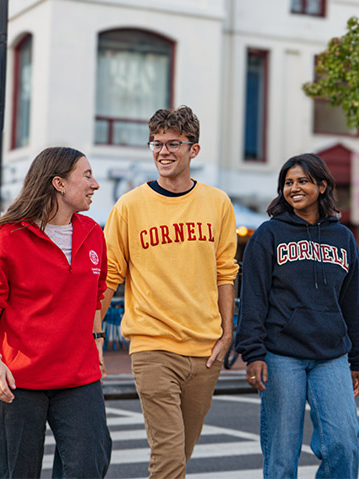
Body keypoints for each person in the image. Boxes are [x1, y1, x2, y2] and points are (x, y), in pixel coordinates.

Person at [0, 147, 112, 479]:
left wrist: (97, 341)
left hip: (79, 377)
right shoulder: (7, 238)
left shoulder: (93, 234)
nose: (94, 184)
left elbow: (95, 296)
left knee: (89, 466)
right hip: (16, 379)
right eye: (86, 176)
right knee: (17, 474)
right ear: (58, 183)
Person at [101, 105, 238, 479]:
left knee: (181, 451)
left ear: (193, 149)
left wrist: (227, 333)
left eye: (173, 143)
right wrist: (94, 334)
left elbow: (225, 272)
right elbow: (110, 275)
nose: (163, 151)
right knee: (168, 456)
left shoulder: (217, 203)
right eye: (156, 143)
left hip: (205, 352)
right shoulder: (129, 206)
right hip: (153, 347)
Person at [235, 153, 359, 479]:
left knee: (344, 443)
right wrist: (252, 353)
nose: (294, 188)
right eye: (288, 183)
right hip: (281, 354)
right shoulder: (268, 235)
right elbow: (253, 297)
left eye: (303, 181)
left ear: (322, 186)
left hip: (332, 355)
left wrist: (357, 359)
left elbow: (353, 302)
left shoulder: (343, 238)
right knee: (281, 457)